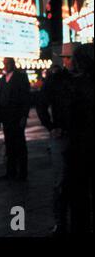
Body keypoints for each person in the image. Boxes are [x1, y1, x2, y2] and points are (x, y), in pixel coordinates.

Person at [36, 43, 76, 236]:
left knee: (77, 182)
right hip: (64, 136)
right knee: (61, 181)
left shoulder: (84, 79)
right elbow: (41, 104)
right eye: (66, 57)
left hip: (80, 136)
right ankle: (60, 222)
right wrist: (51, 127)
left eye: (70, 57)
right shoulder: (57, 79)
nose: (68, 61)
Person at [68, 43, 94, 234]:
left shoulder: (75, 85)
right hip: (83, 142)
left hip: (80, 144)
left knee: (79, 193)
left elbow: (69, 115)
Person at [0, 57, 30, 181]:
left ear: (13, 64)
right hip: (6, 117)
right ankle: (10, 171)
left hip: (17, 116)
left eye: (7, 63)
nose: (5, 66)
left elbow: (26, 98)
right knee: (9, 145)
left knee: (20, 145)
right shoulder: (2, 80)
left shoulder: (21, 77)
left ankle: (22, 172)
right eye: (4, 63)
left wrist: (24, 116)